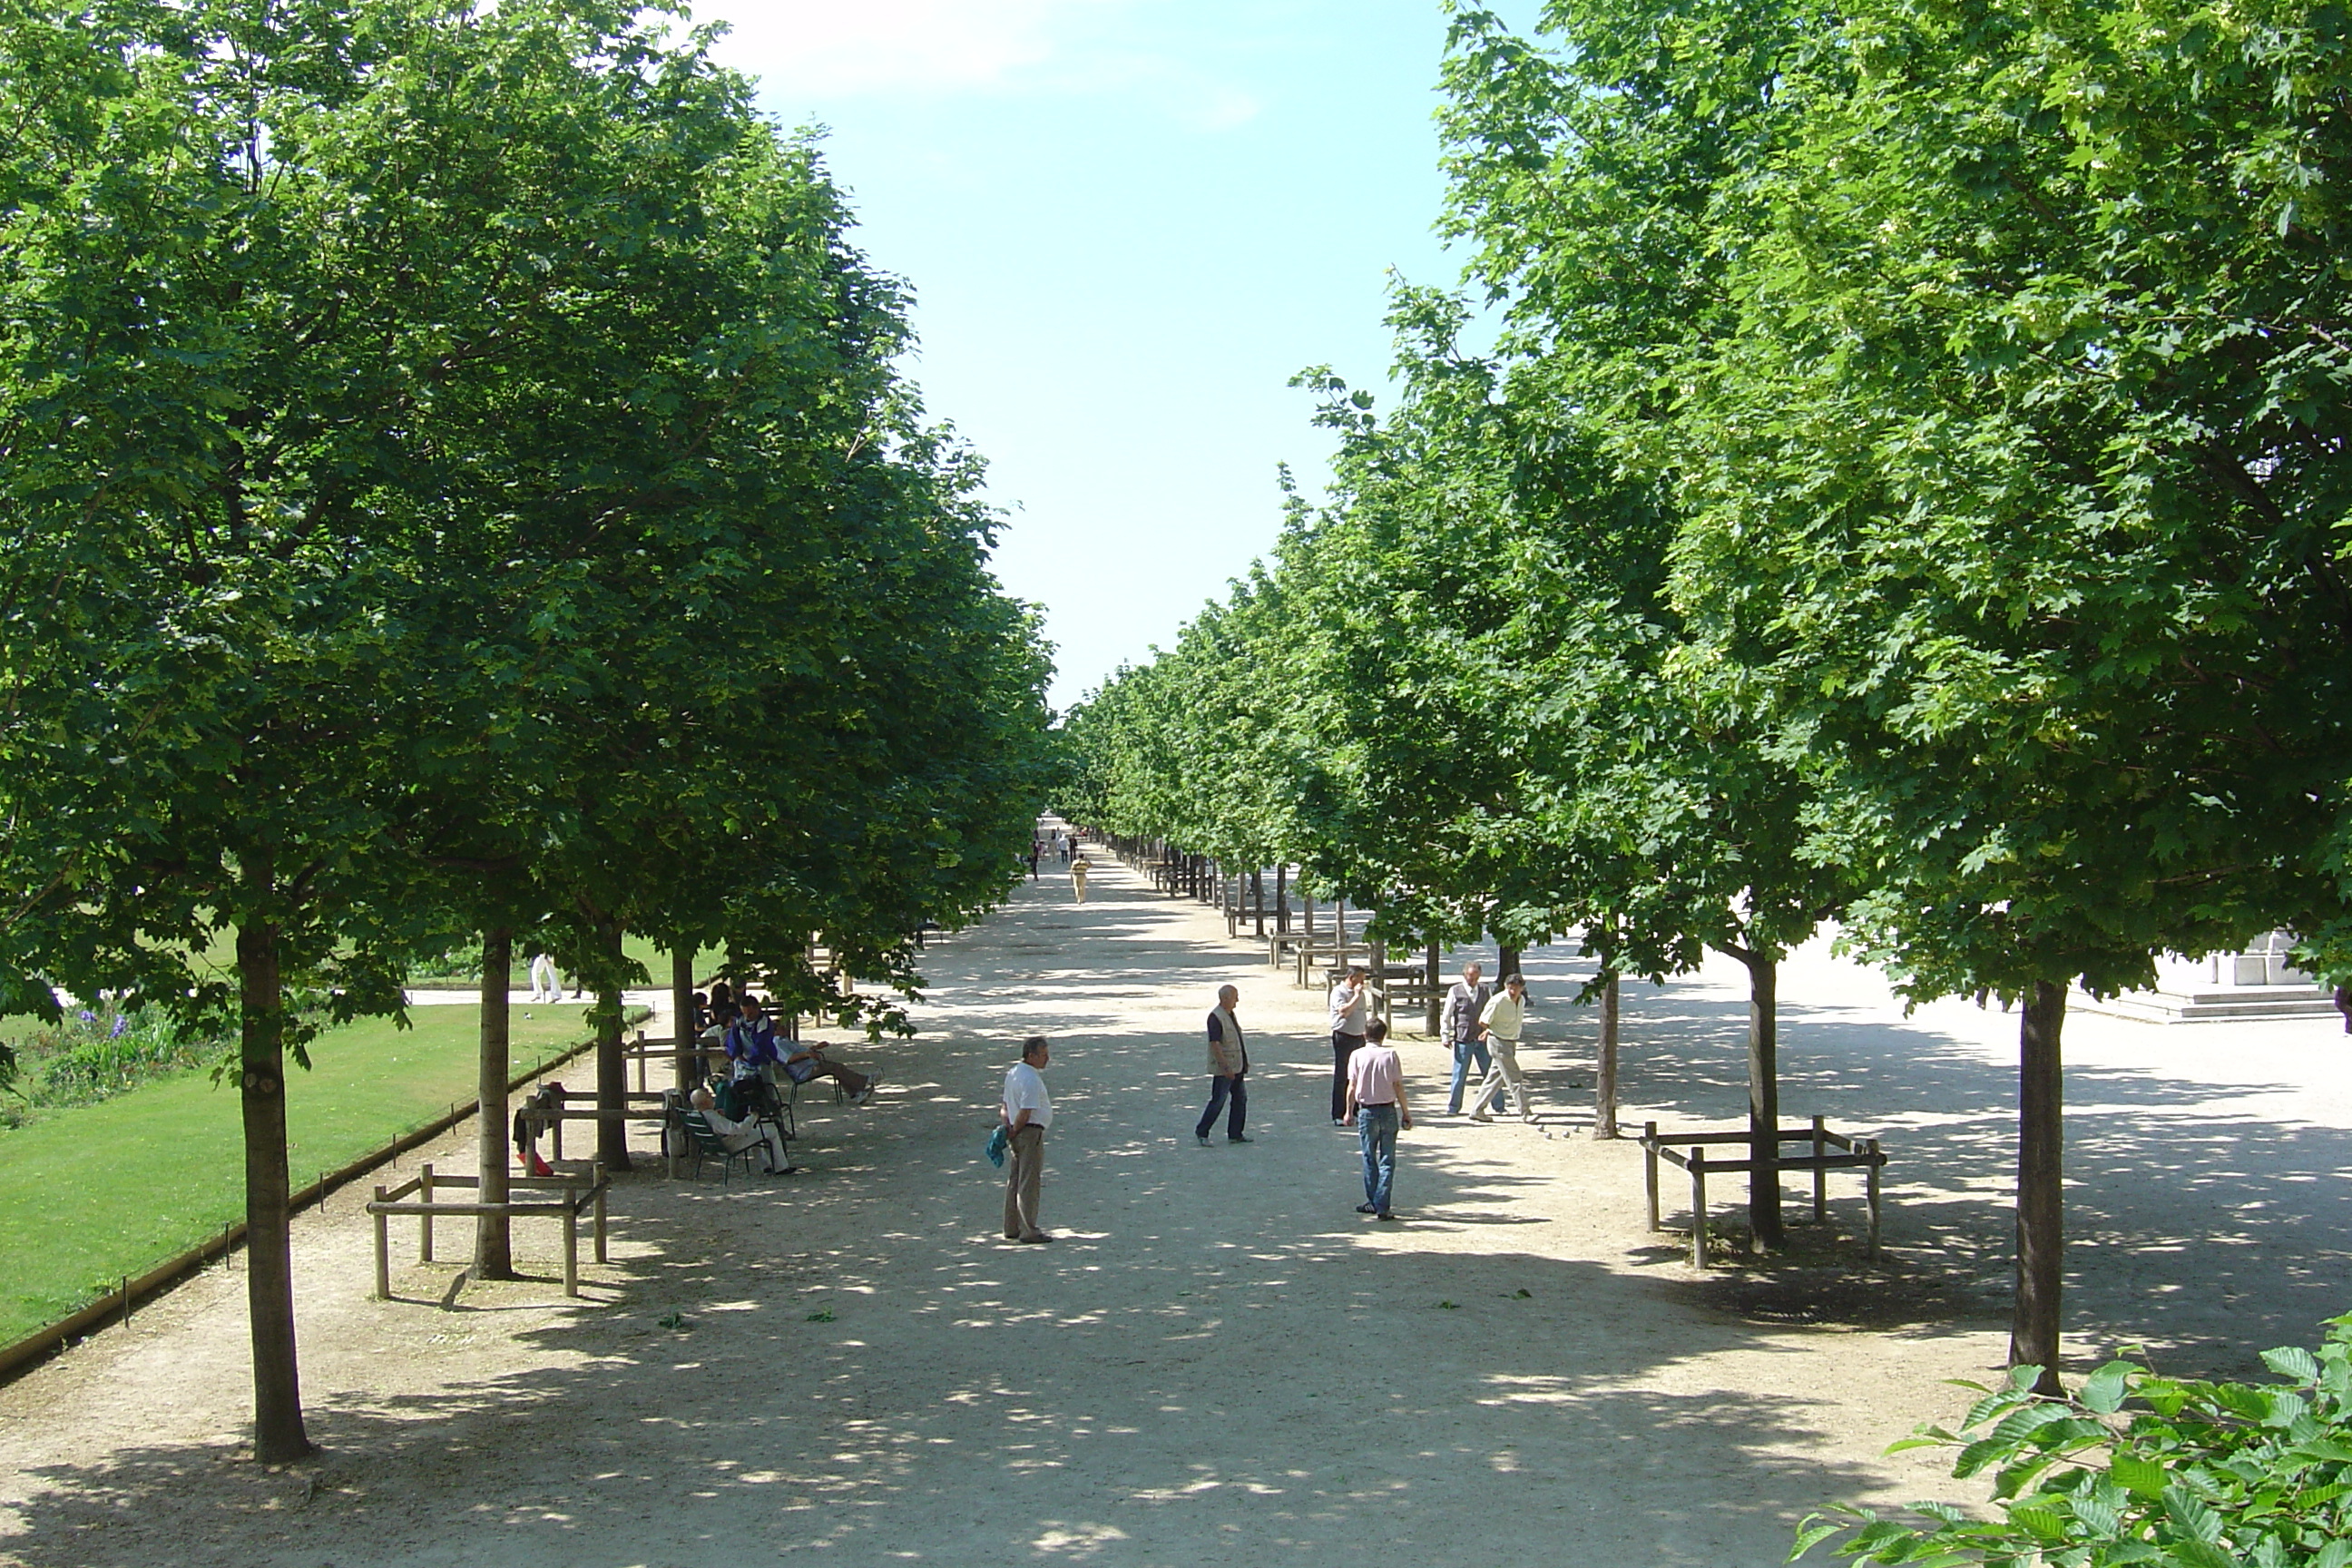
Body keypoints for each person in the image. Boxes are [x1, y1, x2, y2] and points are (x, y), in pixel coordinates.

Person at [1343, 1018, 1412, 1219]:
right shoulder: (1391, 1055)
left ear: (1365, 1035)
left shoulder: (1357, 1055)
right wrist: (1406, 1112)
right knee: (1387, 1159)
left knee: (1369, 1157)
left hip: (1366, 1111)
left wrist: (1349, 1111)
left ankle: (1373, 1200)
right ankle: (1383, 1203)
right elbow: (1398, 1085)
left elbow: (1352, 1086)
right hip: (1388, 1110)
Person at [1001, 1036, 1054, 1242]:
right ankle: (1029, 1230)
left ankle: (1011, 1226)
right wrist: (1016, 1129)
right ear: (1031, 1056)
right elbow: (1026, 1109)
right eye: (1043, 1055)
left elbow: (1005, 1106)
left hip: (1016, 1130)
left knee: (1015, 1180)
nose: (1047, 1059)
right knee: (1029, 1182)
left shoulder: (1013, 1073)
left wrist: (1008, 1127)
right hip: (1029, 1132)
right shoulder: (1030, 1079)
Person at [1468, 973, 1536, 1122]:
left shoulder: (1522, 1000)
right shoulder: (1498, 1000)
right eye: (1511, 988)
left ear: (1522, 989)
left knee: (1494, 1079)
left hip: (1511, 1042)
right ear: (1506, 986)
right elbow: (1483, 1020)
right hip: (1498, 1042)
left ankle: (1477, 1110)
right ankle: (1526, 1113)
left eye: (1516, 989)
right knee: (1515, 1078)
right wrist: (1489, 1031)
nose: (1513, 992)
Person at [690, 1084, 794, 1173]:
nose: (713, 1098)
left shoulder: (696, 1114)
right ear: (704, 1103)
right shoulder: (713, 1117)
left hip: (715, 1143)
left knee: (756, 1133)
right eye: (709, 1097)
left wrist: (719, 1115)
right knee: (771, 1131)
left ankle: (766, 1166)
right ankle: (781, 1167)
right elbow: (739, 1129)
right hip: (729, 1144)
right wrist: (753, 1116)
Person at [1194, 984, 1250, 1146]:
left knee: (1240, 1099)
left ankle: (1235, 1133)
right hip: (1226, 1068)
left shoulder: (1229, 1014)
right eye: (1235, 997)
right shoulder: (1216, 1017)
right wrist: (1225, 1067)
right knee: (1218, 1100)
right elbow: (1215, 1044)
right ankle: (1202, 1131)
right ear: (1225, 998)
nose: (1237, 1001)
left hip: (1237, 1066)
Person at [1441, 962, 1495, 1115]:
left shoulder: (1485, 990)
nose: (1472, 980)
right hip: (1463, 1038)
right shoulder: (1455, 991)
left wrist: (1489, 1031)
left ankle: (1499, 1106)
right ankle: (1453, 1107)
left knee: (1490, 1073)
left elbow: (1491, 1012)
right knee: (1459, 1074)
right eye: (1470, 977)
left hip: (1482, 1038)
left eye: (1476, 977)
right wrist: (1445, 1035)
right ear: (1464, 975)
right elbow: (1447, 1015)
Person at [1327, 964, 1372, 1125]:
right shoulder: (1339, 992)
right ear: (1351, 978)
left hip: (1358, 1036)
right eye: (1360, 979)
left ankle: (1355, 1110)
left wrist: (1366, 1032)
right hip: (1343, 1037)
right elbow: (1344, 1012)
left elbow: (1362, 1014)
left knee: (1358, 1076)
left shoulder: (1360, 995)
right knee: (1342, 1076)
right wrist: (1356, 996)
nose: (1362, 982)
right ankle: (1338, 1113)